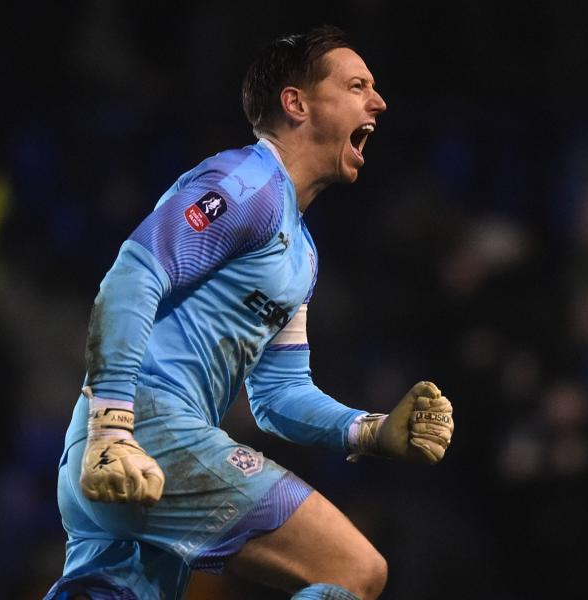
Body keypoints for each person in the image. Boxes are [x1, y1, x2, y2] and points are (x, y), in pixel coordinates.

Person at [45, 26, 454, 600]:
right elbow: (132, 275)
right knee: (354, 571)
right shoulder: (246, 184)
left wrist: (373, 431)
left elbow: (279, 394)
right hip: (141, 433)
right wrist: (114, 426)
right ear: (296, 103)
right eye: (358, 85)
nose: (378, 101)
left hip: (119, 451)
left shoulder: (301, 253)